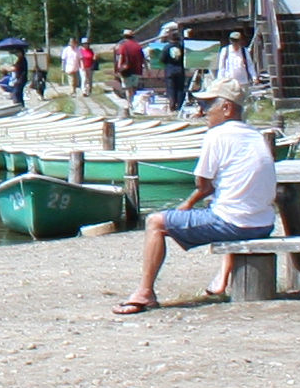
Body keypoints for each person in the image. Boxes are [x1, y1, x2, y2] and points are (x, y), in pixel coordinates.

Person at [118, 99, 275, 310]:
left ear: (226, 108)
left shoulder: (217, 134)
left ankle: (145, 292)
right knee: (228, 205)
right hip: (264, 223)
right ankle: (222, 277)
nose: (204, 112)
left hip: (235, 224)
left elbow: (203, 185)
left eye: (209, 106)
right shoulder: (256, 134)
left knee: (155, 222)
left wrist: (187, 203)